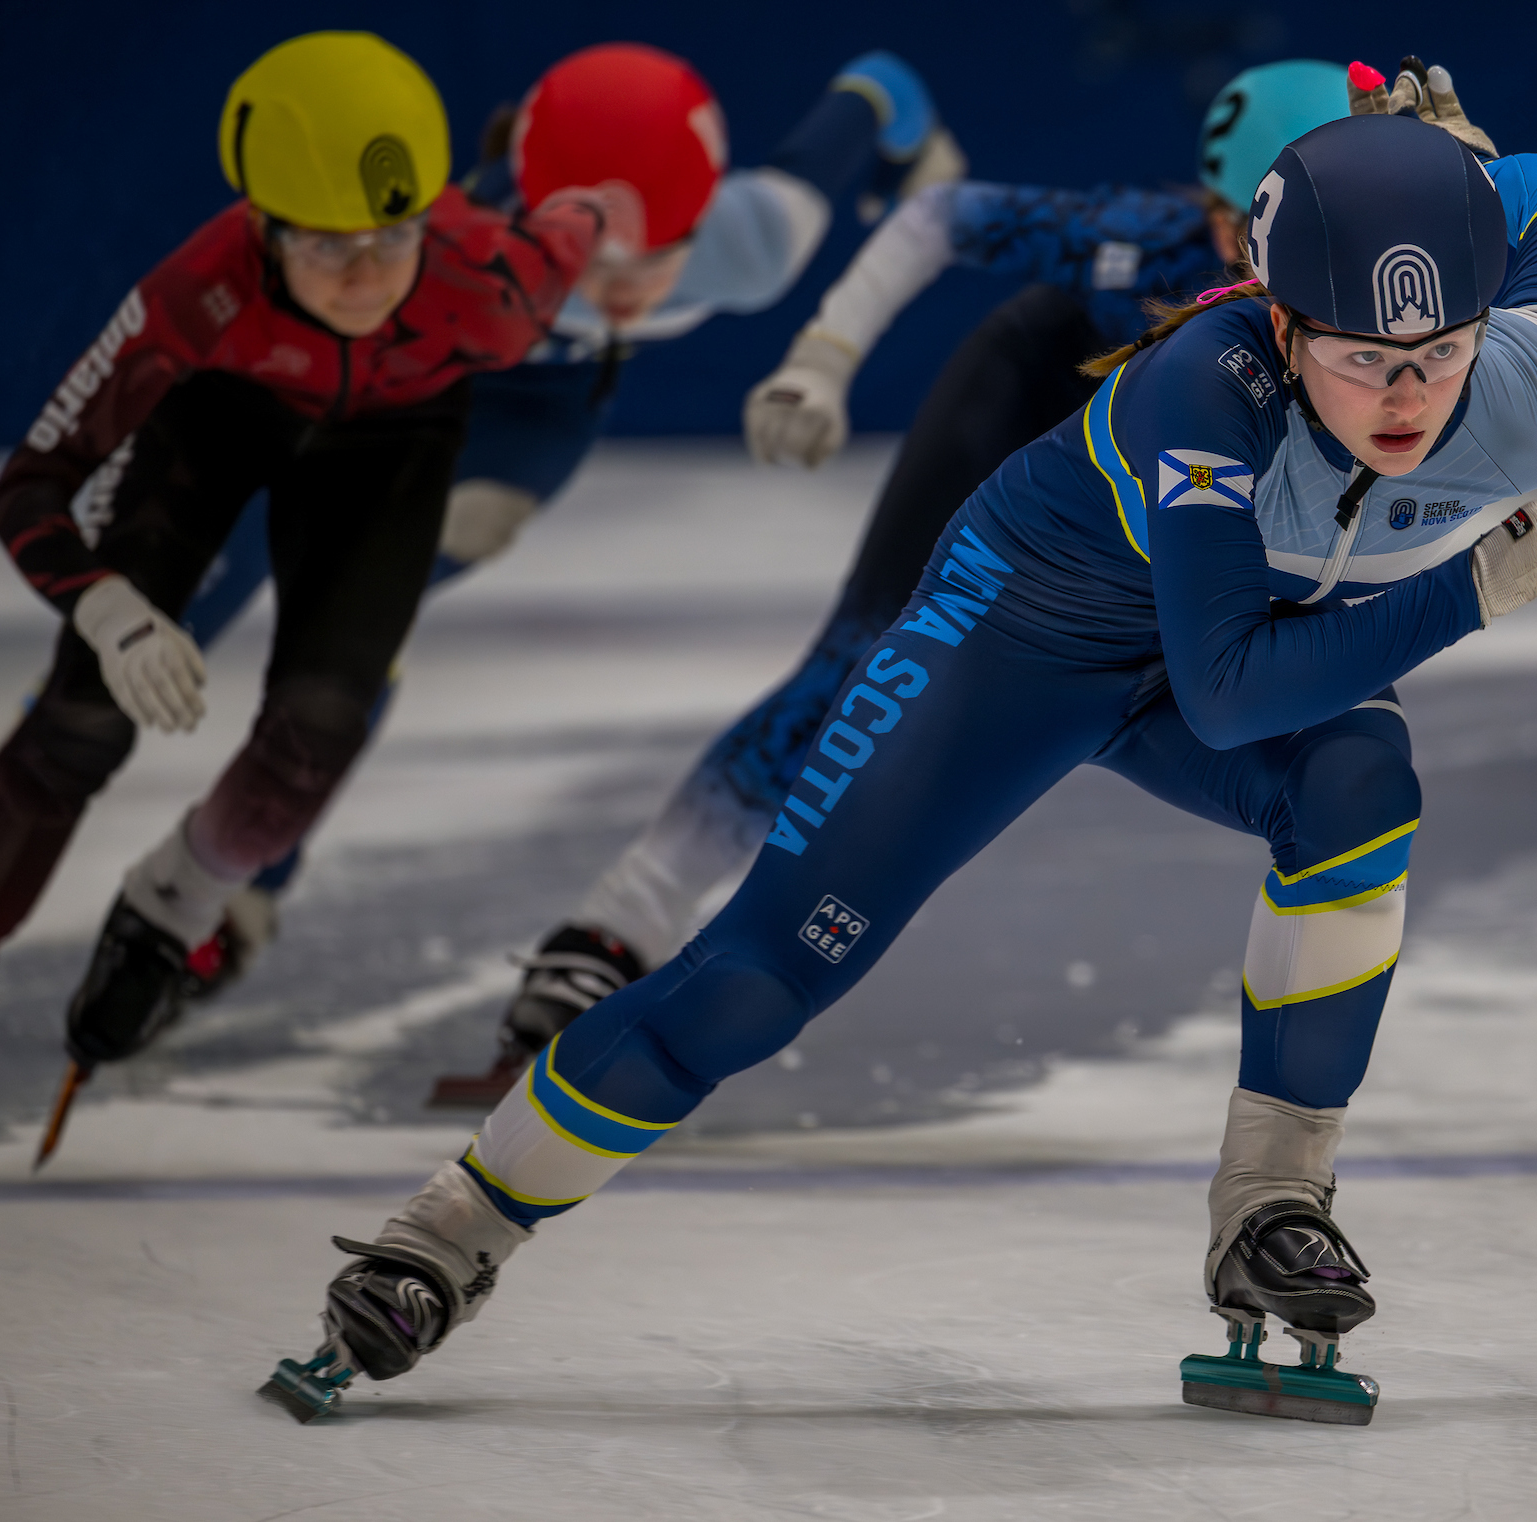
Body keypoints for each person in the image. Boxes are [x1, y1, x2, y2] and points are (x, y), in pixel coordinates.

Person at [265, 61, 1537, 1423]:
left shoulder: (1532, 382)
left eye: (1440, 354)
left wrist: (1473, 176)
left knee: (1361, 784)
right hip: (1022, 637)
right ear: (1277, 316)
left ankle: (1273, 1199)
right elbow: (1225, 692)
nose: (1406, 397)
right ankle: (447, 1237)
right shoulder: (1206, 387)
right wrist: (1465, 590)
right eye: (1359, 357)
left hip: (1216, 640)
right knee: (761, 977)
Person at [0, 46, 958, 1018]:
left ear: (705, 229)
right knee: (169, 609)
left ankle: (240, 890)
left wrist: (918, 162)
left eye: (656, 263)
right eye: (588, 256)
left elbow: (879, 82)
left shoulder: (754, 240)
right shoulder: (455, 238)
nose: (615, 290)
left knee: (355, 628)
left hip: (518, 424)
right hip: (376, 380)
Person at [433, 58, 1356, 1101]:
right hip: (1033, 415)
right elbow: (937, 220)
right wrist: (823, 357)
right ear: (1213, 211)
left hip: (1163, 485)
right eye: (1248, 231)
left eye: (1316, 236)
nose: (1278, 267)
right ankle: (620, 921)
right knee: (860, 667)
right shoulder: (1147, 237)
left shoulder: (1390, 295)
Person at [0, 31, 640, 1162]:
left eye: (394, 237)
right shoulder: (194, 294)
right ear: (262, 228)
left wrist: (599, 204)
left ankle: (181, 901)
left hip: (396, 438)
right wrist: (108, 606)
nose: (368, 276)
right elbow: (31, 484)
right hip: (221, 417)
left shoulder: (492, 285)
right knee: (77, 722)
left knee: (322, 724)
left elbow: (580, 222)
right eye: (330, 245)